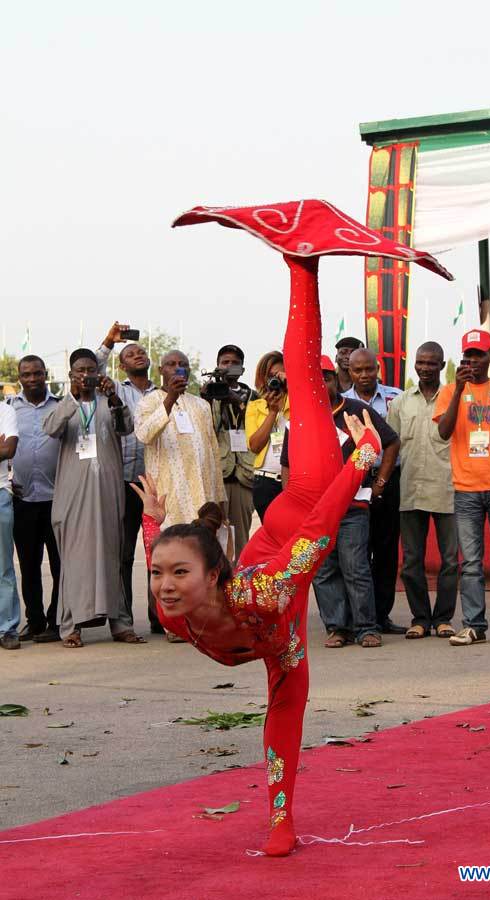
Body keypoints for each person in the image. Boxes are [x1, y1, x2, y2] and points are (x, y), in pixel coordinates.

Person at [136, 258, 382, 857]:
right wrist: (153, 519)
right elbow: (160, 554)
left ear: (215, 573)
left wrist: (362, 459)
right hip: (274, 584)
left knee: (302, 379)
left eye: (178, 575)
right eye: (160, 578)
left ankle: (303, 266)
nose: (165, 588)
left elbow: (321, 527)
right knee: (287, 691)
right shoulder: (172, 612)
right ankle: (282, 815)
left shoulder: (262, 591)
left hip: (300, 511)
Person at [280, 355, 399, 648]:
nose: (321, 384)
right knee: (324, 571)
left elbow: (391, 441)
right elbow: (287, 465)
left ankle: (366, 627)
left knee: (356, 566)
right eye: (314, 379)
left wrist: (379, 484)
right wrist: (293, 503)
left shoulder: (357, 411)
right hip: (315, 511)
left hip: (353, 506)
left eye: (327, 377)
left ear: (336, 380)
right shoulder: (299, 418)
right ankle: (338, 627)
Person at [43, 349, 144, 648]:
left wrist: (114, 398)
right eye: (80, 371)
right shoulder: (66, 404)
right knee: (73, 558)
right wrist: (71, 399)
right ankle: (70, 626)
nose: (85, 376)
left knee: (113, 555)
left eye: (91, 370)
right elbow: (50, 429)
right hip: (73, 494)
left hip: (108, 491)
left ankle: (121, 624)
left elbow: (126, 428)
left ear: (99, 373)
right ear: (72, 374)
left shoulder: (108, 402)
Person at [433, 329, 490, 647]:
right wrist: (458, 389)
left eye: (478, 355)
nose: (472, 360)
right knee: (470, 563)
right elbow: (444, 432)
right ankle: (473, 624)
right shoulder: (449, 391)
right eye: (467, 355)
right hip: (466, 488)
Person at [387, 342, 457, 639]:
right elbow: (389, 446)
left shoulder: (454, 399)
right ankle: (420, 618)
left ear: (442, 366)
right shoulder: (400, 402)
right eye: (420, 362)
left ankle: (443, 619)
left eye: (432, 363)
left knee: (451, 560)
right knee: (412, 560)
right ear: (414, 364)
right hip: (410, 489)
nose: (425, 368)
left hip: (448, 488)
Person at [96, 322, 161, 633]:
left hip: (153, 485)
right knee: (122, 554)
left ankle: (160, 617)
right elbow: (89, 368)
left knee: (157, 555)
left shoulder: (162, 394)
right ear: (121, 365)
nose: (138, 354)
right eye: (131, 353)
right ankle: (122, 621)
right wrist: (110, 341)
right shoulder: (113, 390)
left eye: (141, 351)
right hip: (122, 482)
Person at [343, 348, 404, 634]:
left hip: (388, 478)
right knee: (356, 551)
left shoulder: (396, 396)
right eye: (358, 371)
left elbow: (397, 440)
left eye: (369, 369)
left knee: (386, 550)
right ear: (349, 372)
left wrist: (382, 481)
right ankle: (358, 616)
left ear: (377, 368)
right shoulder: (342, 402)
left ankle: (382, 615)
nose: (364, 375)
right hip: (354, 482)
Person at [134, 350, 227, 527]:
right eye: (172, 364)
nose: (178, 368)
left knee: (204, 551)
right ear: (161, 370)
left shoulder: (202, 404)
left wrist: (220, 501)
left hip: (205, 497)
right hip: (168, 498)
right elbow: (144, 435)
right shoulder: (148, 402)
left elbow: (213, 453)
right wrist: (171, 397)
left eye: (183, 365)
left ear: (189, 371)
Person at [10, 356, 61, 642]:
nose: (32, 379)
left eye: (37, 373)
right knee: (29, 566)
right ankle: (36, 620)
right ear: (19, 377)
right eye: (26, 374)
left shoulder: (60, 406)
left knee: (59, 565)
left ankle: (57, 620)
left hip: (57, 498)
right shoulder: (9, 410)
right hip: (23, 499)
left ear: (46, 375)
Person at [204, 344, 257, 558]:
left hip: (244, 473)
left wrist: (239, 403)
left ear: (242, 369)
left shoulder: (253, 396)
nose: (229, 366)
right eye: (225, 362)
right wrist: (208, 397)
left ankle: (239, 584)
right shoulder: (209, 394)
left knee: (241, 538)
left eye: (235, 363)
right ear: (217, 366)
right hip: (218, 474)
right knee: (215, 535)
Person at [245, 351, 290, 522]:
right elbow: (254, 446)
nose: (276, 381)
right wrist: (272, 412)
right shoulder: (255, 407)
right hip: (266, 482)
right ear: (263, 379)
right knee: (272, 536)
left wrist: (291, 385)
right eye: (271, 376)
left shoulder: (298, 401)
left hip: (294, 480)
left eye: (280, 375)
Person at [0, 399, 20, 650]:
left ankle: (7, 627)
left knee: (3, 566)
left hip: (0, 493)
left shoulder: (5, 410)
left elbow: (8, 450)